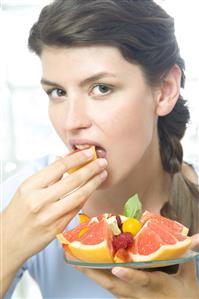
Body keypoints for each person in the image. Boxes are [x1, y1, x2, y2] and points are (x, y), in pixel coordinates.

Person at [1, 0, 199, 298]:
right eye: (58, 92)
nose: (71, 122)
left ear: (165, 90)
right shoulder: (29, 198)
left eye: (101, 88)